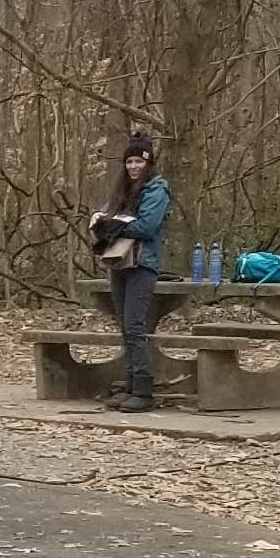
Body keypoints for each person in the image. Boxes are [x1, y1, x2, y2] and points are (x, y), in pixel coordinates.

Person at [90, 129, 172, 409]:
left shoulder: (157, 189)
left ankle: (144, 390)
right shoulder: (122, 192)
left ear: (148, 163)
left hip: (143, 263)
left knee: (135, 326)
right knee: (125, 327)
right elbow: (107, 215)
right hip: (119, 261)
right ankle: (129, 385)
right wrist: (101, 219)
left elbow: (146, 226)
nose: (134, 167)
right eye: (129, 162)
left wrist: (113, 224)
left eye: (139, 161)